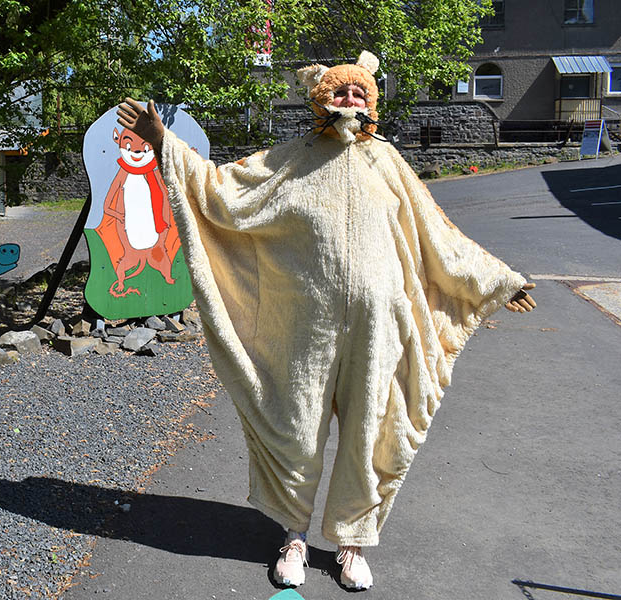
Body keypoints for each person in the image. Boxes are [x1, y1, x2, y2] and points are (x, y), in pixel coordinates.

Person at [116, 51, 536, 591]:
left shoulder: (388, 163)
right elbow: (220, 192)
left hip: (378, 329)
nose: (350, 101)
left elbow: (439, 236)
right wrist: (163, 142)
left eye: (360, 94)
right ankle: (293, 535)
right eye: (341, 93)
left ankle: (352, 542)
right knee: (296, 430)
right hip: (302, 329)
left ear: (372, 103)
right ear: (320, 99)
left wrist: (501, 280)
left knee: (370, 432)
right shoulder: (289, 160)